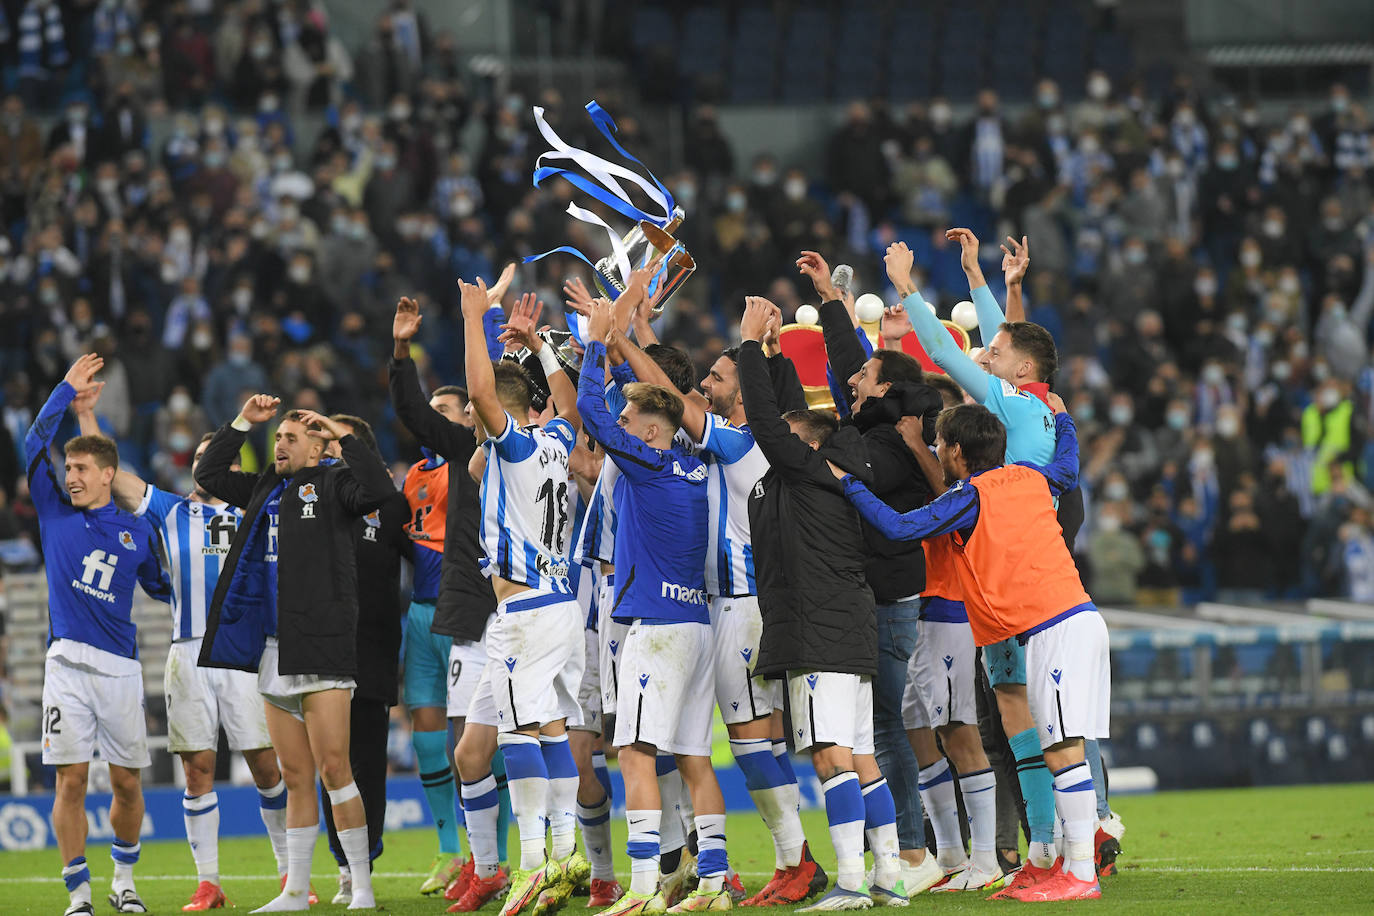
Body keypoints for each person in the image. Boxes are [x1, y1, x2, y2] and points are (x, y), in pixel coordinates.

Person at [834, 404, 1109, 902]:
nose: (936, 451)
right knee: (1053, 747)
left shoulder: (971, 496)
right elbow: (1068, 467)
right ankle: (1059, 862)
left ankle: (1082, 874)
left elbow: (900, 528)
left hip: (1057, 627)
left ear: (957, 450)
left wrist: (849, 484)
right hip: (1060, 623)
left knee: (1063, 751)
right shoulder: (1031, 476)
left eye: (939, 444)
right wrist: (1065, 421)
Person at [611, 301, 828, 906]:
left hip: (741, 604)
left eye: (718, 377)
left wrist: (621, 340)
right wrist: (641, 331)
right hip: (719, 609)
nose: (705, 385)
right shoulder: (722, 440)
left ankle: (796, 860)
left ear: (744, 391)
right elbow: (673, 395)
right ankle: (771, 862)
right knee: (744, 744)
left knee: (753, 744)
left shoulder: (742, 441)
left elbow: (673, 400)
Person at [74, 383, 290, 912]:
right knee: (197, 771)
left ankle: (291, 875)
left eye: (210, 460)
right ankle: (208, 883)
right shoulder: (169, 510)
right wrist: (85, 415)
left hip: (242, 654)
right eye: (195, 459)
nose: (199, 467)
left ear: (230, 467)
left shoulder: (254, 510)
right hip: (188, 653)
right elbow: (109, 474)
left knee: (266, 766)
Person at [885, 236, 1061, 880]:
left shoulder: (1012, 404)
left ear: (1017, 370)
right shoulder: (1037, 408)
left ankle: (1049, 847)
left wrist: (907, 285)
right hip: (1036, 568)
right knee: (1030, 714)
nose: (985, 354)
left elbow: (941, 351)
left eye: (995, 355)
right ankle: (1050, 845)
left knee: (1020, 715)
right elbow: (1008, 342)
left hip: (1010, 579)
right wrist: (983, 280)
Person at [736, 298, 908, 911]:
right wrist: (776, 355)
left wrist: (748, 343)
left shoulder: (807, 471)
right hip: (847, 625)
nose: (777, 441)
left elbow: (768, 422)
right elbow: (786, 417)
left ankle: (852, 881)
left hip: (817, 629)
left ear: (806, 445)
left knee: (832, 758)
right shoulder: (827, 472)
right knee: (861, 757)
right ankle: (888, 875)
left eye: (790, 437)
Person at [195, 396, 395, 912]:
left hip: (322, 646)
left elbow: (380, 492)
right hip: (273, 651)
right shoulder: (265, 488)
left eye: (291, 438)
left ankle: (361, 886)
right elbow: (209, 474)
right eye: (278, 438)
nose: (280, 445)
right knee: (297, 777)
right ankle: (295, 891)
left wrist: (341, 436)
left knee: (336, 771)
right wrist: (243, 422)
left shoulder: (335, 483)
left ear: (315, 450)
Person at [576, 296, 733, 916]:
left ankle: (641, 890)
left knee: (636, 754)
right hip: (696, 624)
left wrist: (596, 341)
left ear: (647, 434)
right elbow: (643, 405)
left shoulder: (648, 465)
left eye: (630, 418)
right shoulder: (691, 464)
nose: (621, 424)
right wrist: (624, 341)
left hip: (657, 630)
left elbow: (593, 413)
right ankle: (713, 885)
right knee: (694, 759)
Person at [796, 248, 945, 896]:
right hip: (876, 598)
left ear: (885, 390)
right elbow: (846, 366)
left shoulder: (887, 444)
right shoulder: (878, 429)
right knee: (876, 731)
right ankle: (902, 850)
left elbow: (859, 473)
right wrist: (831, 300)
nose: (852, 382)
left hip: (887, 600)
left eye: (866, 376)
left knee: (883, 729)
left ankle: (912, 850)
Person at [453, 279, 587, 916]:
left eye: (477, 415)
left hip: (525, 609)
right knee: (549, 728)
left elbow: (483, 394)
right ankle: (566, 851)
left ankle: (532, 862)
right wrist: (538, 345)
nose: (473, 418)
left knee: (518, 733)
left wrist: (473, 320)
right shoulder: (557, 440)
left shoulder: (511, 446)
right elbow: (569, 407)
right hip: (559, 605)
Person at [29, 354, 172, 916]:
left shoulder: (137, 531)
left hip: (120, 671)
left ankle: (124, 882)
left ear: (107, 475)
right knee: (69, 782)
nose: (70, 477)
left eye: (82, 469)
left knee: (128, 785)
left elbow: (165, 588)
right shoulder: (53, 512)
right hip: (65, 666)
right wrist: (64, 392)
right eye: (68, 468)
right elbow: (33, 443)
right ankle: (79, 894)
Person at [390, 267, 515, 898]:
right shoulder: (464, 450)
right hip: (470, 609)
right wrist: (402, 350)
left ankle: (547, 859)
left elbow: (512, 386)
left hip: (527, 605)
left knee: (536, 739)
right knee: (469, 740)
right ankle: (481, 861)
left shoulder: (538, 445)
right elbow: (413, 410)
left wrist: (492, 324)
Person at [318, 415, 409, 906]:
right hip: (325, 649)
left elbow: (421, 556)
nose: (328, 453)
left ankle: (364, 863)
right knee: (330, 762)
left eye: (336, 444)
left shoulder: (390, 505)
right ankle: (342, 865)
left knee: (368, 763)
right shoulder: (315, 500)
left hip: (373, 650)